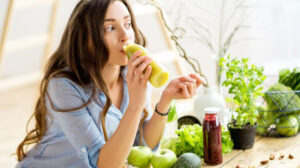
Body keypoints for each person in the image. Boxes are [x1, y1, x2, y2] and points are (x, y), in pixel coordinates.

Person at [15, 0, 203, 167]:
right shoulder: (63, 86)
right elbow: (104, 164)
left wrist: (165, 99)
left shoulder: (132, 75)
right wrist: (136, 105)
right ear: (87, 38)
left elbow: (140, 145)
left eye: (127, 24)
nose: (125, 36)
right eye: (110, 28)